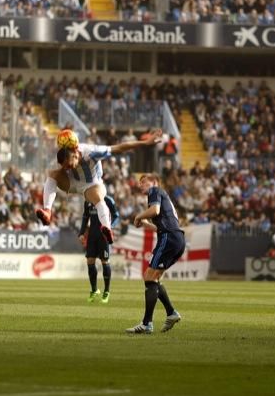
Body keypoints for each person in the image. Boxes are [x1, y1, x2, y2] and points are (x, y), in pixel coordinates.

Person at [35, 129, 163, 245]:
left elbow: (120, 148)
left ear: (75, 153)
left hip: (92, 185)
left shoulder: (92, 152)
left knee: (98, 198)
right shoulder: (65, 157)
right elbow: (61, 168)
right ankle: (47, 211)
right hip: (73, 183)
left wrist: (145, 143)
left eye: (68, 165)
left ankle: (107, 228)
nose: (66, 168)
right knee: (52, 174)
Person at [125, 174, 184, 334]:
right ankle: (171, 313)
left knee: (149, 276)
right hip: (177, 239)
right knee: (154, 278)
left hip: (169, 238)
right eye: (140, 182)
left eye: (144, 182)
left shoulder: (155, 190)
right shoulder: (163, 196)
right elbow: (160, 224)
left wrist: (139, 216)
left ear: (154, 182)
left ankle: (146, 324)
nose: (141, 185)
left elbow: (155, 210)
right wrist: (145, 223)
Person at [79, 196, 119, 303]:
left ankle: (106, 291)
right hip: (92, 235)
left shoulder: (108, 200)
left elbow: (116, 216)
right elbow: (85, 217)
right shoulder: (88, 200)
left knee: (104, 261)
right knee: (90, 261)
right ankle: (94, 290)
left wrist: (109, 227)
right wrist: (81, 232)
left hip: (104, 236)